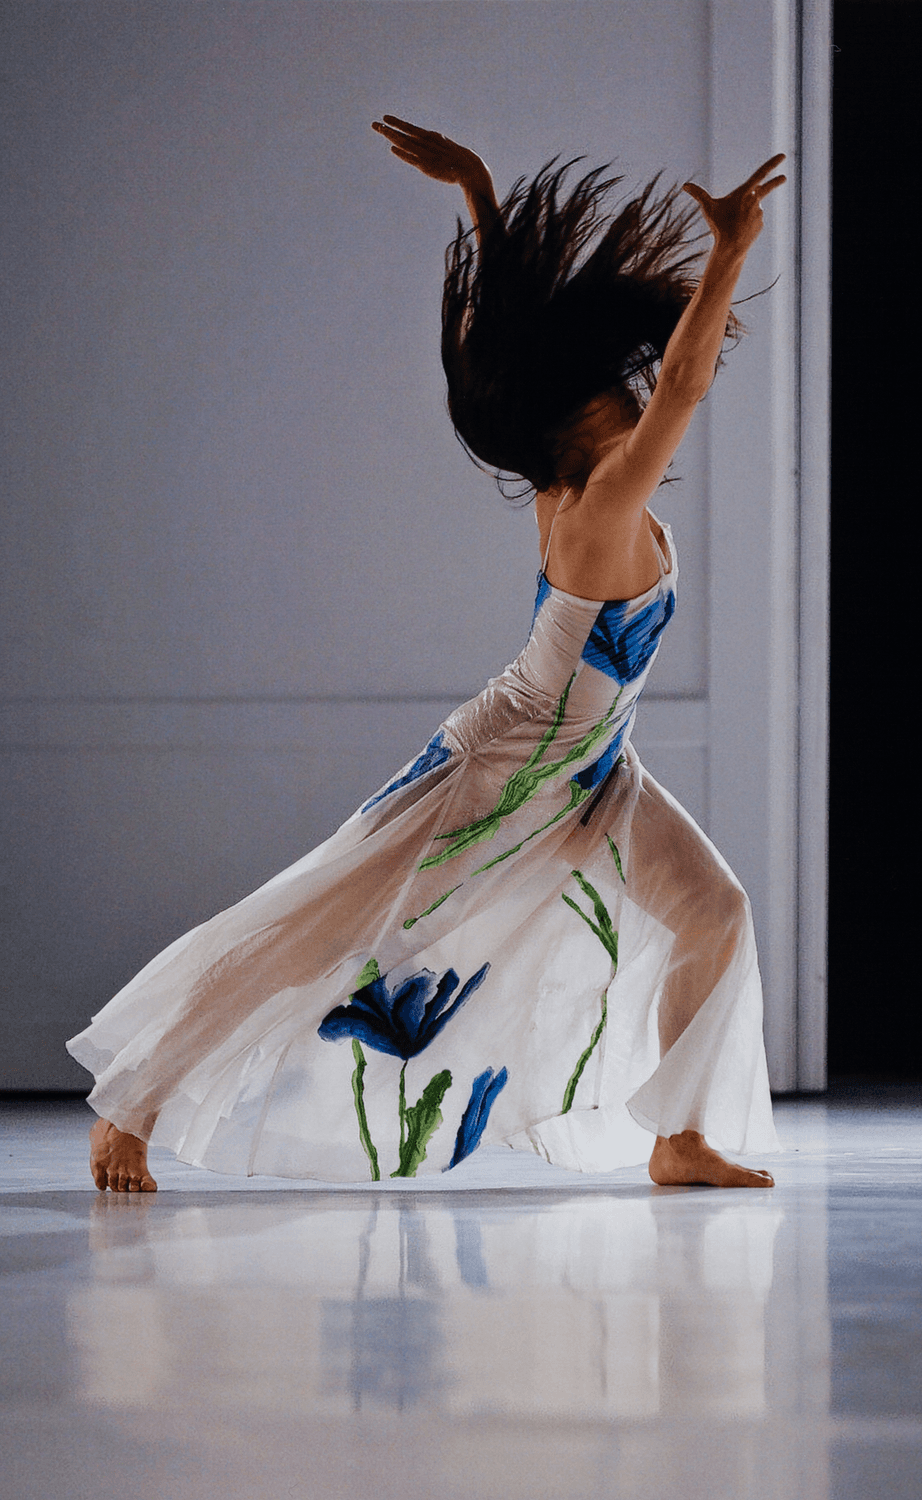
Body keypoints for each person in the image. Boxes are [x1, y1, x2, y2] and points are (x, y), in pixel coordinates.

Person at [76, 117, 786, 1193]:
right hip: (502, 771)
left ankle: (678, 1138)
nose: (624, 391)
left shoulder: (582, 483)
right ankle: (132, 1102)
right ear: (569, 421)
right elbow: (685, 387)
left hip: (590, 772)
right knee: (320, 937)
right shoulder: (596, 503)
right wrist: (729, 250)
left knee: (713, 911)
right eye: (598, 388)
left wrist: (484, 202)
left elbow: (522, 349)